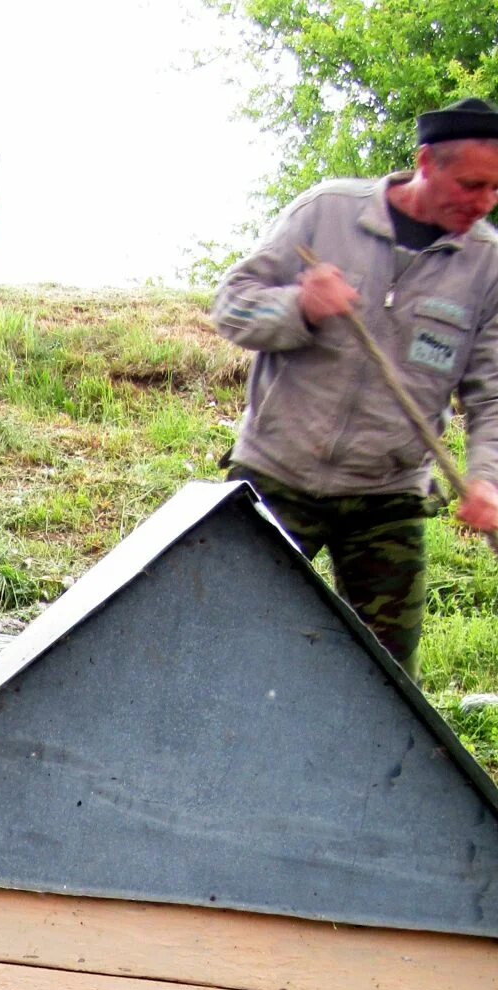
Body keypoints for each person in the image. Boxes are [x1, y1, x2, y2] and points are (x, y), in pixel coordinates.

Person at [212, 97, 498, 673]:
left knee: (389, 677)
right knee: (224, 641)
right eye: (472, 184)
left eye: (496, 189)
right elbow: (230, 308)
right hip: (276, 475)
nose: (484, 203)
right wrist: (301, 306)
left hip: (387, 494)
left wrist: (487, 479)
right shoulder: (328, 212)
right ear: (426, 162)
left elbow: (491, 395)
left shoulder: (487, 266)